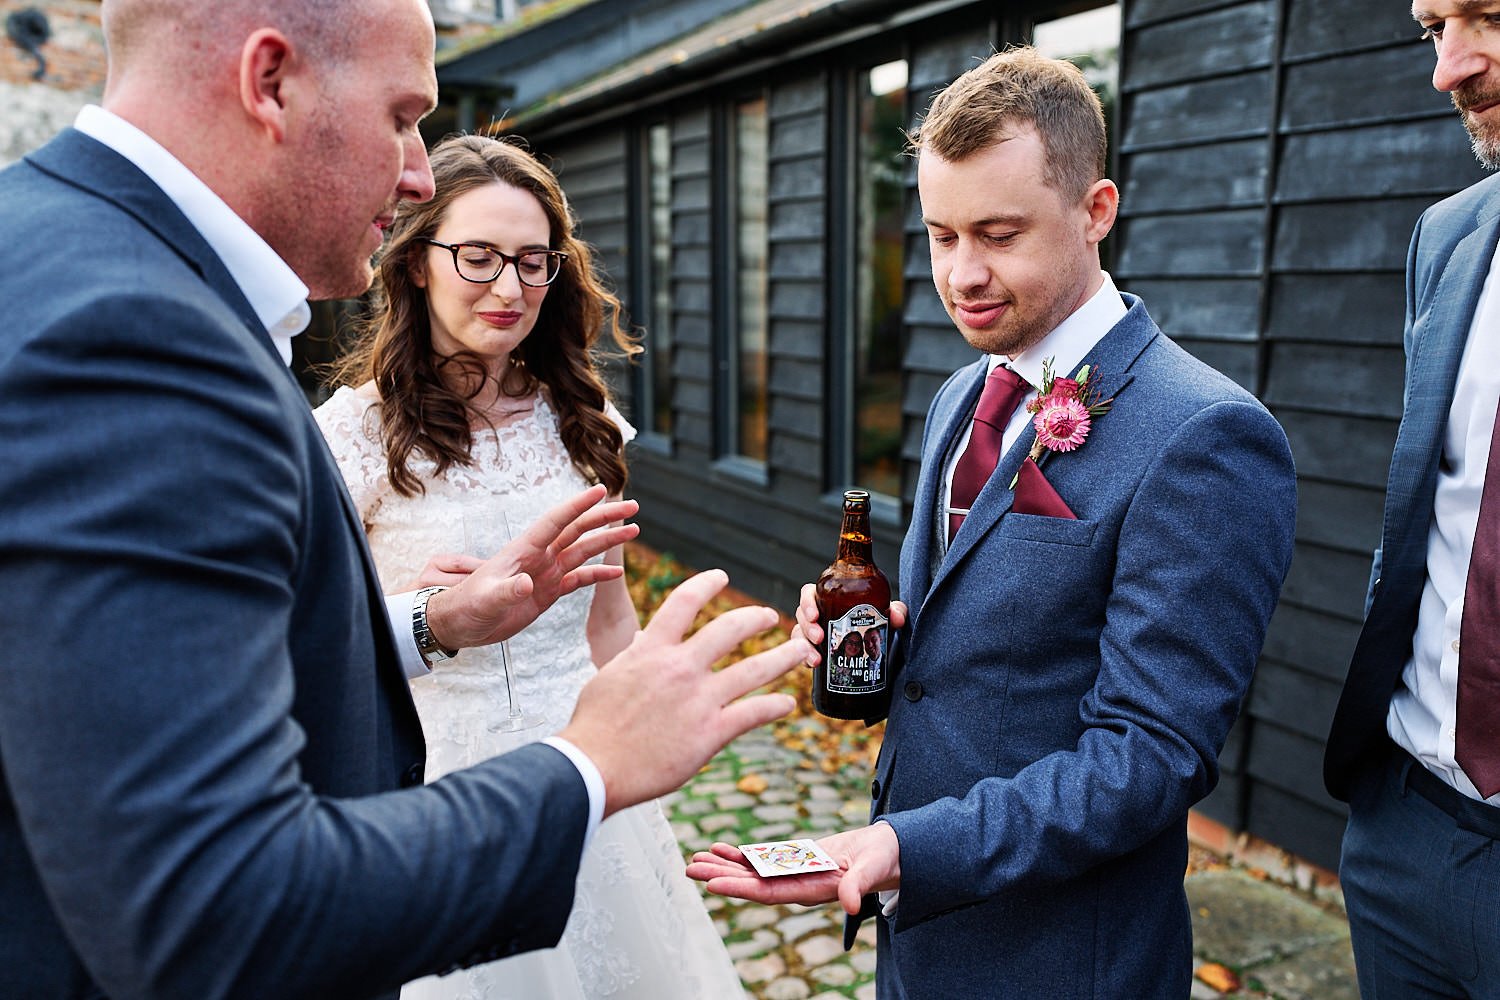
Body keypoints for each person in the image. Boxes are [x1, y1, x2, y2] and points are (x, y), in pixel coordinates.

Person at [0, 2, 807, 997]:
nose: (419, 169)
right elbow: (211, 904)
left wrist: (439, 621)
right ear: (270, 80)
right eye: (401, 115)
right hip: (437, 814)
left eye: (532, 261)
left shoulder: (55, 252)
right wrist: (586, 766)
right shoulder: (134, 333)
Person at [688, 47, 1297, 998]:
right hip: (920, 935)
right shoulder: (960, 396)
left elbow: (1148, 755)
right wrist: (873, 652)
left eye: (999, 234)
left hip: (1061, 957)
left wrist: (901, 847)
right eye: (939, 235)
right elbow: (974, 656)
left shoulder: (1206, 435)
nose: (961, 274)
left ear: (1097, 210)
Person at [314, 133, 744, 999]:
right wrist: (435, 609)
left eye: (534, 262)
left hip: (586, 777)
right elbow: (320, 647)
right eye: (478, 257)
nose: (510, 289)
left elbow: (610, 620)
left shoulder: (578, 420)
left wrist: (661, 739)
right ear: (417, 264)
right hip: (435, 792)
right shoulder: (350, 439)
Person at [1323, 4, 1500, 994]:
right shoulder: (1447, 239)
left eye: (1492, 15)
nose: (1450, 69)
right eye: (1435, 25)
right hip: (1406, 831)